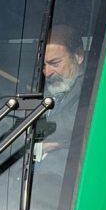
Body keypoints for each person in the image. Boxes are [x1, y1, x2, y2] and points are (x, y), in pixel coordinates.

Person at [38, 24, 87, 157]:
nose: (47, 73)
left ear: (78, 56)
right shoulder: (40, 93)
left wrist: (32, 132)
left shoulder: (92, 89)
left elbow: (77, 122)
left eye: (55, 63)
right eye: (43, 66)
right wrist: (39, 148)